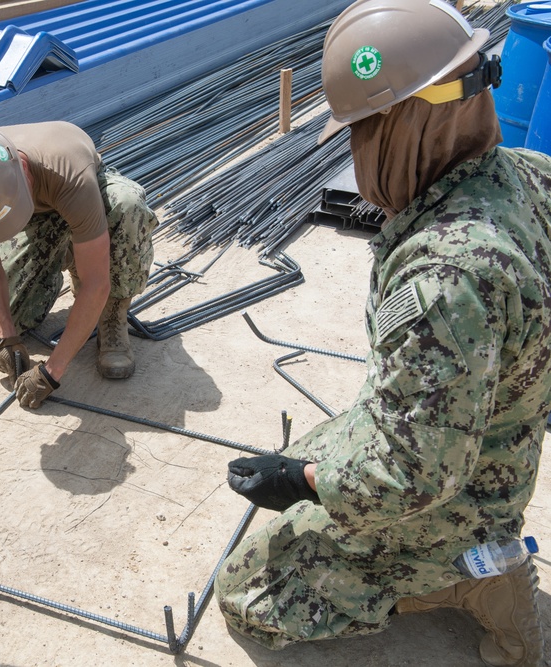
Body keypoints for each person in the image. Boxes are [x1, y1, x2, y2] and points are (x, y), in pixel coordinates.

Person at [215, 0, 551, 665]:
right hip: (498, 443)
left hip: (456, 493)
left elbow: (412, 477)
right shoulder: (524, 173)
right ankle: (469, 553)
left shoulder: (447, 275)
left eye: (359, 131)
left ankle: (473, 576)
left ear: (402, 123)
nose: (354, 149)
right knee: (324, 446)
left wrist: (309, 481)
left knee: (247, 590)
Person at [0, 122, 158, 408]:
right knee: (8, 319)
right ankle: (63, 252)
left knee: (127, 205)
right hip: (33, 208)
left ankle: (112, 312)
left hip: (76, 193)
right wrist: (7, 336)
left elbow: (96, 283)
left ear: (23, 169)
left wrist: (52, 371)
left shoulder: (68, 175)